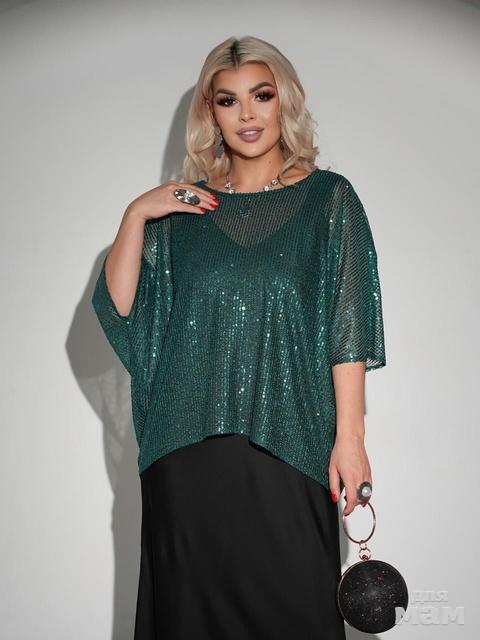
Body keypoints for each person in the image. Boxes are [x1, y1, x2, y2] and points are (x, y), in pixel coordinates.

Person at [91, 35, 386, 640]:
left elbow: (348, 327)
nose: (247, 114)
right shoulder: (182, 217)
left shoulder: (329, 201)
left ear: (285, 102)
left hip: (290, 449)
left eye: (261, 95)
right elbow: (119, 308)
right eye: (228, 100)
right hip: (186, 458)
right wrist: (137, 213)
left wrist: (350, 440)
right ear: (211, 112)